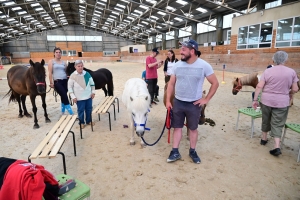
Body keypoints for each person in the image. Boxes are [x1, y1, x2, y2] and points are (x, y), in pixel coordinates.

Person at [165, 39, 219, 164]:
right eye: (181, 49)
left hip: (194, 104)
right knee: (177, 128)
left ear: (192, 51)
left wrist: (206, 99)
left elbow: (215, 83)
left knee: (193, 129)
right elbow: (171, 84)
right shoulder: (177, 65)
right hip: (178, 102)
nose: (181, 52)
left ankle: (192, 151)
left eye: (184, 49)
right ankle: (175, 151)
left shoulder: (204, 65)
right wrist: (168, 100)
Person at [252, 51, 298, 156]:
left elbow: (259, 86)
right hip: (282, 102)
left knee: (266, 118)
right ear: (286, 60)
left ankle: (264, 139)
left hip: (267, 100)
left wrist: (255, 100)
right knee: (278, 123)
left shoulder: (268, 71)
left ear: (274, 60)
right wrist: (290, 92)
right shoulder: (291, 72)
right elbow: (295, 88)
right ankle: (276, 146)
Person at [68, 60, 96, 129]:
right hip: (79, 98)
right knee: (80, 110)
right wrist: (73, 97)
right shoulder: (72, 76)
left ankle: (89, 121)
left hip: (88, 96)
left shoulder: (87, 74)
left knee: (89, 109)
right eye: (78, 66)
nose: (80, 68)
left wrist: (93, 92)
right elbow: (70, 87)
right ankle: (81, 122)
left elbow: (92, 84)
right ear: (75, 67)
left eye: (81, 66)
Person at [48, 47, 74, 115]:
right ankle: (71, 113)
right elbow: (50, 72)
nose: (58, 54)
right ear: (54, 53)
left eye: (59, 52)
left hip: (65, 81)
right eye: (56, 52)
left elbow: (66, 72)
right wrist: (51, 82)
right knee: (64, 96)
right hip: (57, 82)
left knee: (63, 95)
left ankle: (62, 112)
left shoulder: (64, 62)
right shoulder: (51, 62)